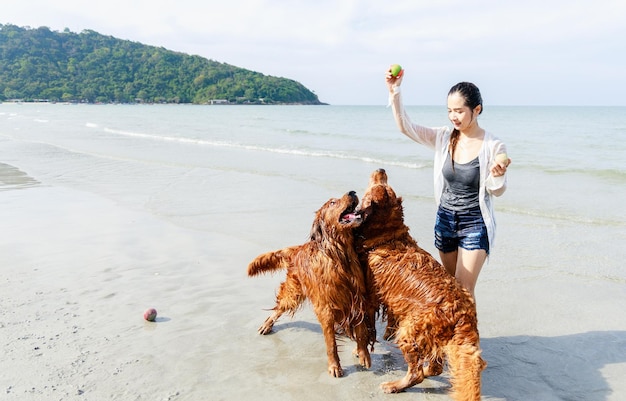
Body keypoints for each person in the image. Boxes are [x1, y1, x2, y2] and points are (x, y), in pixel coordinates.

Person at [385, 67, 511, 297]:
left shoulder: (493, 145)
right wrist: (395, 91)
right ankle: (455, 333)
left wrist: (498, 173)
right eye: (449, 111)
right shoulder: (444, 137)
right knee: (451, 289)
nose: (453, 116)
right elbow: (406, 127)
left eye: (459, 111)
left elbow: (497, 190)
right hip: (445, 220)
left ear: (477, 110)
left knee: (464, 289)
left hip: (475, 223)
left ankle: (468, 334)